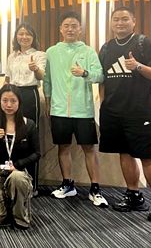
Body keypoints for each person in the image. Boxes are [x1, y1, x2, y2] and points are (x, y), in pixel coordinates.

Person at [98, 6, 151, 223]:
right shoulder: (106, 47)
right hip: (113, 111)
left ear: (133, 21)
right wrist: (103, 103)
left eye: (124, 19)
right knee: (125, 153)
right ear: (111, 23)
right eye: (116, 19)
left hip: (139, 111)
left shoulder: (143, 43)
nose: (120, 23)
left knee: (147, 156)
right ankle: (133, 194)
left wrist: (137, 66)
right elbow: (102, 79)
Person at [43, 11, 107, 207]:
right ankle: (67, 184)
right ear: (60, 29)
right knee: (63, 147)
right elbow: (47, 80)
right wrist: (48, 101)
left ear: (80, 29)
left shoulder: (88, 51)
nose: (70, 29)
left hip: (83, 109)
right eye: (66, 26)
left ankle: (95, 188)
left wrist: (84, 73)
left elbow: (100, 75)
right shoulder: (51, 52)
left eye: (74, 26)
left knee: (89, 148)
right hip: (59, 109)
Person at [0, 84, 40, 229]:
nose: (9, 105)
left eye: (13, 101)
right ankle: (5, 203)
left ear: (19, 102)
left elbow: (37, 154)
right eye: (5, 100)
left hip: (18, 171)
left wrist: (18, 165)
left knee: (16, 178)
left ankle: (19, 214)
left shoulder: (29, 124)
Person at [4, 22, 46, 193]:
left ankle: (32, 185)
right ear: (16, 37)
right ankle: (12, 180)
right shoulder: (11, 56)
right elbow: (7, 78)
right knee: (12, 135)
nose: (24, 37)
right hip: (13, 94)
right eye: (21, 34)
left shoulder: (39, 54)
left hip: (30, 95)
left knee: (29, 137)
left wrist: (35, 69)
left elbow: (41, 76)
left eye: (28, 34)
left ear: (33, 37)